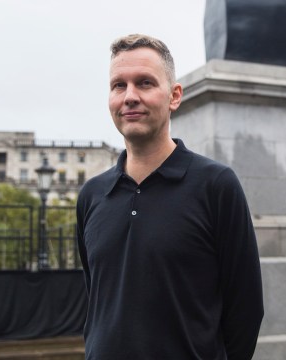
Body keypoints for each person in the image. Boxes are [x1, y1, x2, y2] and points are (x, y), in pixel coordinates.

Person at [76, 34, 264, 359]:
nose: (130, 96)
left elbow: (245, 309)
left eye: (145, 83)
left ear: (174, 96)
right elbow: (96, 302)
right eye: (118, 85)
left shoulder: (216, 185)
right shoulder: (92, 195)